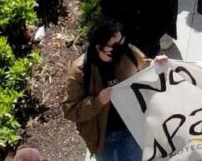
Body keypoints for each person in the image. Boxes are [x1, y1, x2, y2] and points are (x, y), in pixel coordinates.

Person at [63, 18, 149, 161]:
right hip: (103, 137)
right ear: (99, 47)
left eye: (122, 40)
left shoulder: (129, 54)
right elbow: (70, 110)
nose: (122, 46)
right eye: (115, 45)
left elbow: (146, 69)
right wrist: (97, 101)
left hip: (130, 129)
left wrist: (159, 65)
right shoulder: (80, 71)